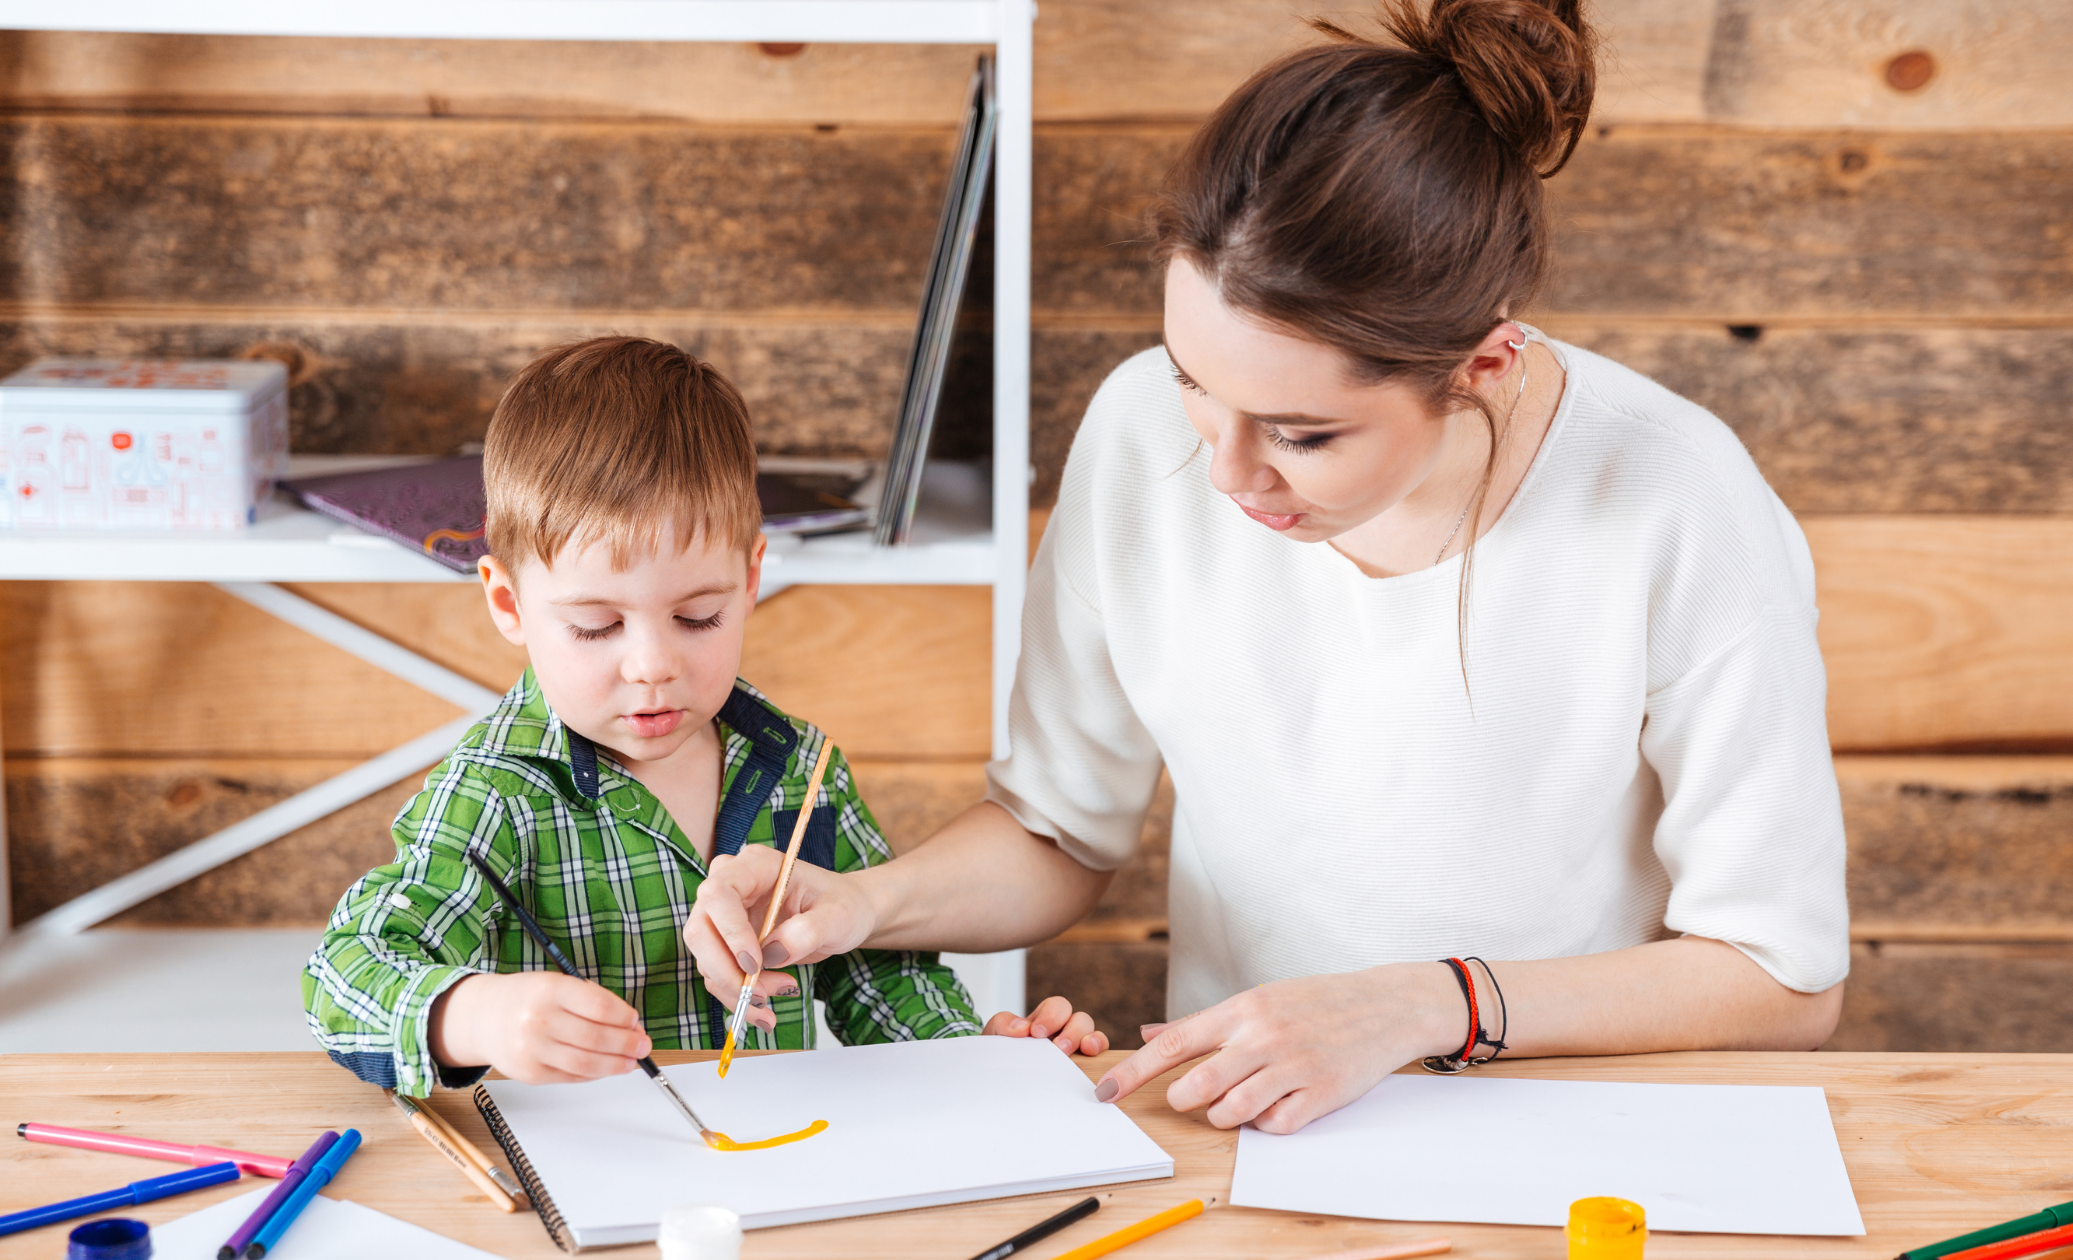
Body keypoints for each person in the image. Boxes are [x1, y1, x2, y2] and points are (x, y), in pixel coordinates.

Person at [688, 0, 1848, 1136]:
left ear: (1483, 365)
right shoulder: (1137, 433)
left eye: (1301, 434)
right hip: (1250, 1135)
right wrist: (859, 905)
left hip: (1566, 1147)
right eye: (1192, 379)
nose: (1226, 472)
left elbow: (1780, 978)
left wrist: (1424, 1006)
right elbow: (1054, 835)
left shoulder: (1677, 499)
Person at [302, 336, 1106, 1096]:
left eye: (698, 618)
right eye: (596, 626)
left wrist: (973, 1056)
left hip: (769, 1161)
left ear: (749, 581)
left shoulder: (800, 767)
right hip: (580, 1169)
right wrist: (473, 1016)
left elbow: (878, 973)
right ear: (509, 604)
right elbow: (345, 974)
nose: (653, 664)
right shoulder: (494, 794)